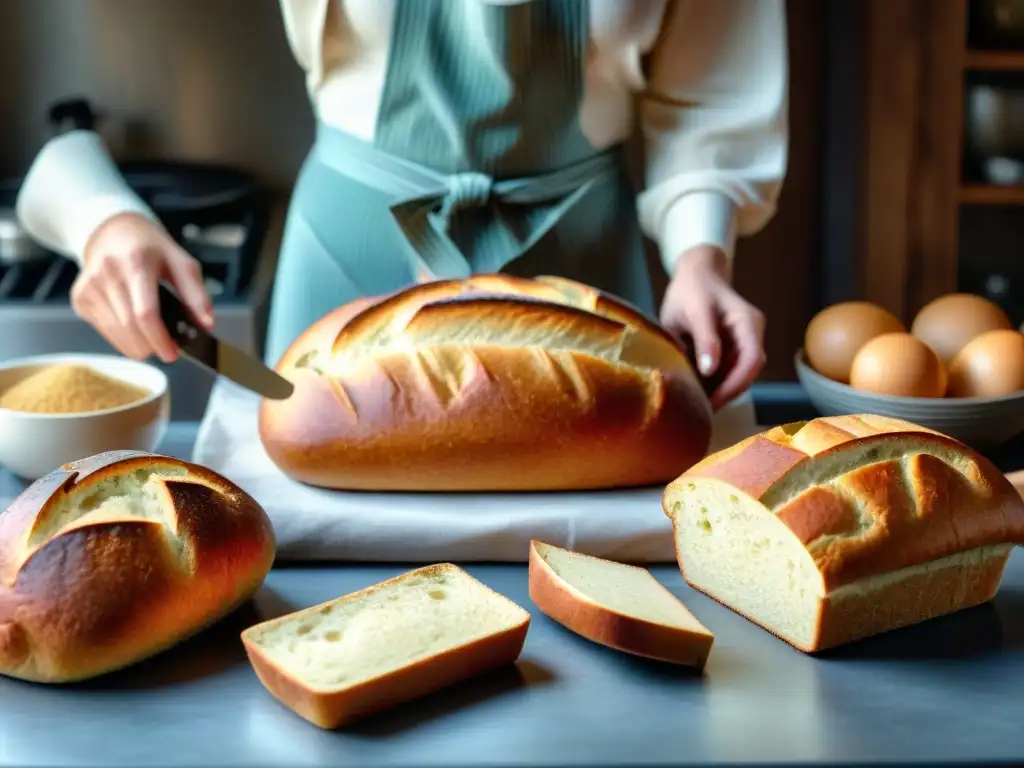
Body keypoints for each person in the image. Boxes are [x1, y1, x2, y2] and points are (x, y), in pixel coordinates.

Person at [16, 0, 787, 411]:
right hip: (348, 254)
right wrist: (101, 217)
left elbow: (711, 92)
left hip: (582, 260)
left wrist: (701, 257)